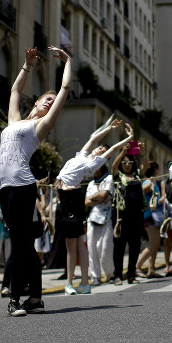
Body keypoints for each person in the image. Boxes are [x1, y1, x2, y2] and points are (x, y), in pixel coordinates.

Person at [0, 46, 71, 317]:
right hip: (4, 188)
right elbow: (15, 92)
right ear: (36, 102)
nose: (50, 102)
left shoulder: (39, 127)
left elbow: (63, 90)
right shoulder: (14, 120)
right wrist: (27, 65)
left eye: (52, 101)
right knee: (26, 245)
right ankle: (36, 299)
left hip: (22, 186)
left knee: (19, 244)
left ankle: (15, 299)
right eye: (45, 99)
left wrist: (68, 62)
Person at [57, 120, 132, 294]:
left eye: (102, 151)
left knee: (73, 245)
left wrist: (128, 139)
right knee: (80, 243)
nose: (99, 149)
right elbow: (92, 138)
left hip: (70, 198)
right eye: (100, 148)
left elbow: (112, 150)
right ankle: (85, 283)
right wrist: (110, 128)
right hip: (67, 198)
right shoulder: (81, 156)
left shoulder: (93, 164)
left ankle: (71, 283)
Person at [111, 149, 145, 286]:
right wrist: (123, 151)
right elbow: (113, 166)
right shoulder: (118, 176)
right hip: (121, 216)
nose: (127, 165)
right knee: (119, 246)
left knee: (135, 246)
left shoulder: (137, 176)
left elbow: (145, 167)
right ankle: (118, 275)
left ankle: (131, 274)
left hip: (137, 215)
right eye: (124, 162)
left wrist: (142, 153)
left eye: (129, 162)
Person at [85, 165, 115, 285]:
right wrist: (97, 197)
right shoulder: (91, 183)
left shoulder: (109, 179)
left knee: (105, 248)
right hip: (92, 218)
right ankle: (95, 277)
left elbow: (104, 196)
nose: (92, 171)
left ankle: (109, 274)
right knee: (92, 249)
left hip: (106, 218)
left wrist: (93, 198)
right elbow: (86, 202)